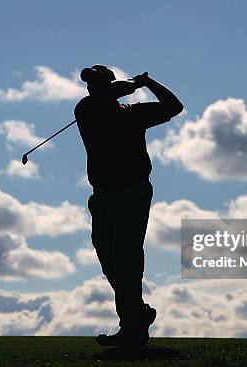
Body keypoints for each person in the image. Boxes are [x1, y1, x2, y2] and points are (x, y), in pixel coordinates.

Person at [74, 65, 183, 347]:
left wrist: (149, 83)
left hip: (133, 191)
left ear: (107, 83)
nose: (90, 88)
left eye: (96, 82)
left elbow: (174, 106)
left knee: (126, 257)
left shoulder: (133, 114)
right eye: (89, 84)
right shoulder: (85, 110)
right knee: (109, 260)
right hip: (102, 195)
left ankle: (132, 327)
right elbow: (104, 97)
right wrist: (135, 84)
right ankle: (138, 314)